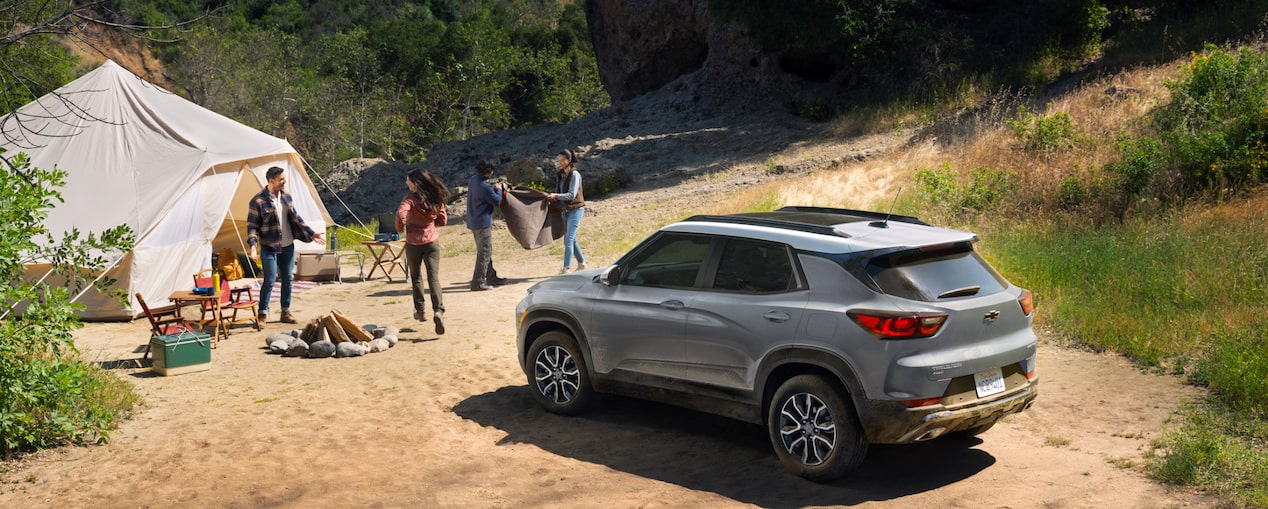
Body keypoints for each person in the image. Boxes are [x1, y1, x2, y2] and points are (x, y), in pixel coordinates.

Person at [247, 166, 325, 324]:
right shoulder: (257, 201)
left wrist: (311, 233)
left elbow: (297, 218)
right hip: (269, 246)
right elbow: (252, 226)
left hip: (288, 245)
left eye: (284, 178)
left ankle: (285, 312)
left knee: (288, 278)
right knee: (269, 280)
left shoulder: (286, 197)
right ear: (271, 181)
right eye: (281, 179)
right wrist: (253, 246)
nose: (284, 181)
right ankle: (262, 313)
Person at [397, 169, 449, 335]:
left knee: (416, 277)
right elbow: (443, 220)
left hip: (413, 243)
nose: (406, 183)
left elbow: (400, 213)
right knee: (433, 278)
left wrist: (401, 225)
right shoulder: (435, 197)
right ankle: (438, 311)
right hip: (432, 242)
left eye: (408, 181)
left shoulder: (410, 198)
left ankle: (420, 311)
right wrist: (432, 223)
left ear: (415, 182)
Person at [466, 160, 507, 291]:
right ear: (488, 172)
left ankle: (491, 276)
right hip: (483, 222)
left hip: (473, 221)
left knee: (484, 251)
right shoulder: (485, 186)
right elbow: (497, 201)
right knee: (484, 253)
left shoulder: (473, 180)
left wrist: (493, 189)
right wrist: (499, 190)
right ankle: (478, 282)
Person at [547, 148, 586, 274]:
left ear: (569, 160)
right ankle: (582, 263)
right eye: (559, 160)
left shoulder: (575, 174)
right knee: (571, 239)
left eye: (563, 160)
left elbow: (571, 195)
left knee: (568, 239)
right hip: (566, 210)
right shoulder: (561, 175)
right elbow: (559, 192)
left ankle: (566, 268)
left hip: (576, 210)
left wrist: (556, 196)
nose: (560, 163)